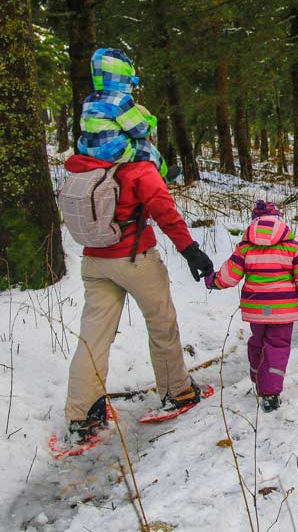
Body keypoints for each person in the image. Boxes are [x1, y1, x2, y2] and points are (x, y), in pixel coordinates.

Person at [62, 152, 214, 442]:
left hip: (94, 262)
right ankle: (178, 392)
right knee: (161, 324)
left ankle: (83, 416)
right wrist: (190, 251)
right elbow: (165, 212)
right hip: (136, 259)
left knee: (92, 337)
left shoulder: (87, 164)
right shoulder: (139, 169)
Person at [204, 201, 298, 412]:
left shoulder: (245, 248)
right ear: (279, 221)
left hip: (257, 309)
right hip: (282, 311)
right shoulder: (293, 247)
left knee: (258, 341)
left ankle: (259, 378)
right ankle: (270, 393)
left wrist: (214, 281)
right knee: (277, 345)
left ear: (254, 221)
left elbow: (230, 276)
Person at [77, 47, 174, 180]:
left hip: (87, 149)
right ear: (124, 76)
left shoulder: (90, 99)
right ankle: (164, 175)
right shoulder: (120, 100)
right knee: (147, 149)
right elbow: (140, 130)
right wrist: (150, 120)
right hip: (112, 151)